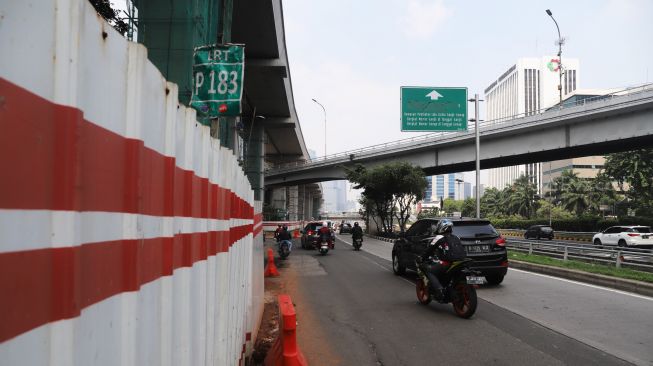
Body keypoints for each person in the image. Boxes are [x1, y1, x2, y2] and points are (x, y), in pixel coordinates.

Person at [418, 219, 466, 301]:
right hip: (460, 262)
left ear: (441, 227)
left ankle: (440, 290)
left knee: (429, 271)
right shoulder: (456, 237)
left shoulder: (439, 237)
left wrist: (422, 258)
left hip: (447, 263)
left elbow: (430, 249)